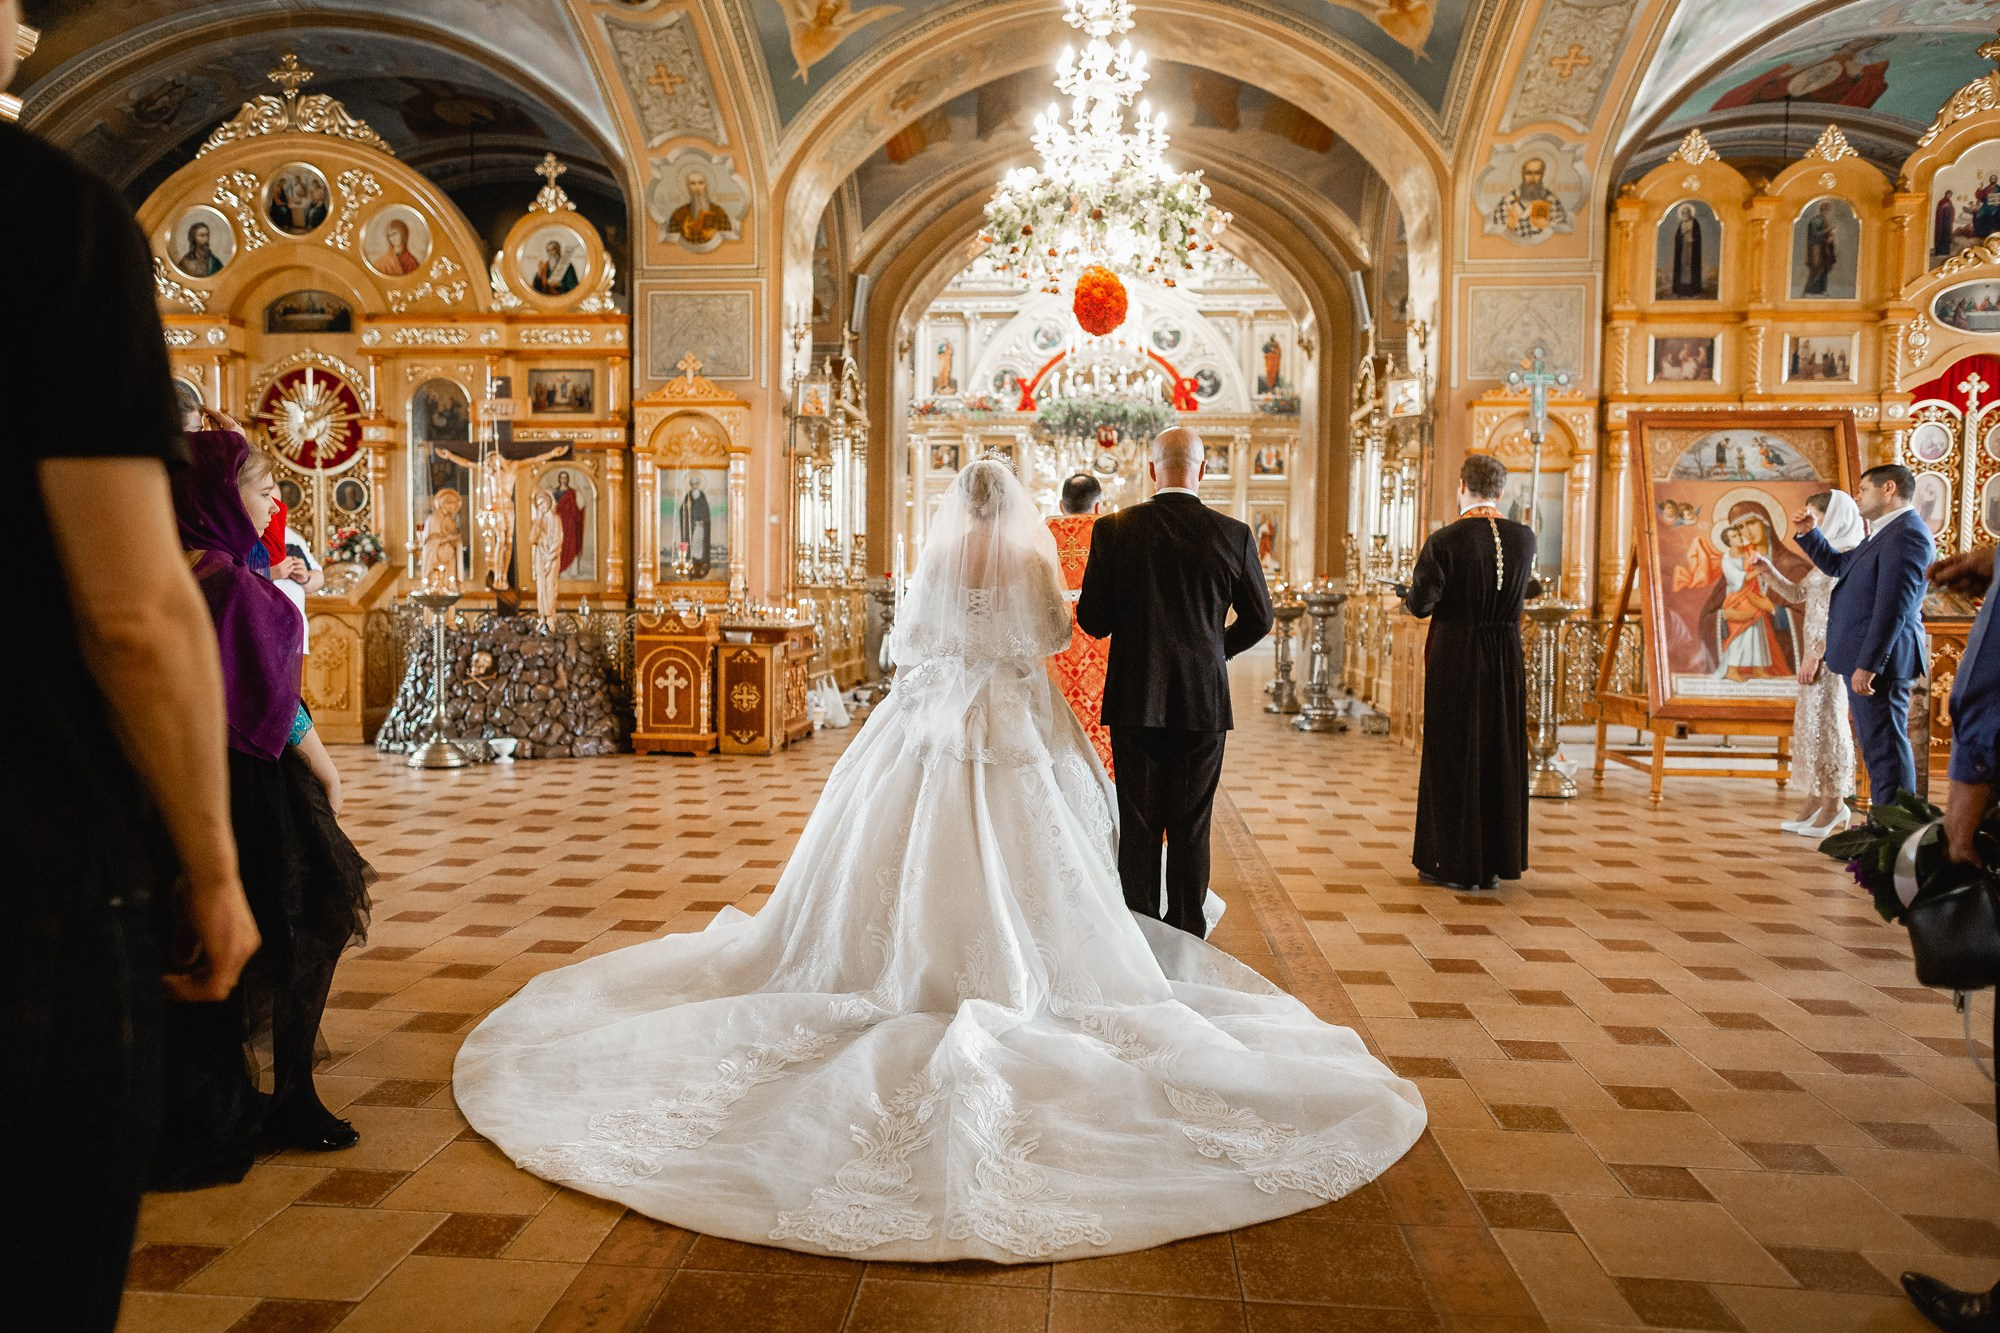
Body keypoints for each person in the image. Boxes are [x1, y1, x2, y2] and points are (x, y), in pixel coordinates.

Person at [453, 458, 1423, 1262]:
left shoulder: (946, 556)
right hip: (1017, 717)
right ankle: (1074, 955)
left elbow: (908, 637)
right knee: (1054, 847)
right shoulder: (1026, 558)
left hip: (930, 717)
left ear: (954, 506)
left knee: (900, 852)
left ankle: (904, 962)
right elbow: (1053, 631)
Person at [2, 22, 261, 1324]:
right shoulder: (44, 219)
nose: (35, 25)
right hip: (28, 863)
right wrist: (214, 865)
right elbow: (135, 610)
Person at [155, 425, 374, 1189]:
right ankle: (293, 1096)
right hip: (253, 781)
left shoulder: (185, 566)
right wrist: (328, 768)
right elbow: (273, 701)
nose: (275, 498)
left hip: (185, 776)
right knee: (309, 918)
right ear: (218, 495)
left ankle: (226, 1093)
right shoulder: (228, 584)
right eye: (260, 486)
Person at [1077, 427, 1273, 937]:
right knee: (1191, 822)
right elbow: (1261, 619)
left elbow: (1094, 621)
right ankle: (1186, 930)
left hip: (1135, 694)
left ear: (1150, 470)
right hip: (1203, 699)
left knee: (1138, 822)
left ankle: (1140, 931)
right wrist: (1214, 651)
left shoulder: (1115, 530)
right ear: (1203, 470)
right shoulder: (1233, 534)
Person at [1400, 453, 1539, 891]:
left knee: (1454, 752)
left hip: (1457, 656)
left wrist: (1410, 592)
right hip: (1504, 656)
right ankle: (1497, 860)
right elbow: (1521, 588)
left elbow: (1422, 604)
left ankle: (1452, 862)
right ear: (1501, 491)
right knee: (1500, 746)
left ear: (1463, 486)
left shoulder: (1445, 540)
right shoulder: (1525, 538)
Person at [1793, 463, 1935, 814]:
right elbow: (1841, 567)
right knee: (1877, 745)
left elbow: (1893, 607)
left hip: (1881, 662)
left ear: (1889, 489)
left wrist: (1869, 664)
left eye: (1863, 490)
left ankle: (1894, 828)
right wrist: (1810, 534)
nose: (1857, 497)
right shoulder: (1883, 532)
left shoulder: (1908, 534)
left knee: (1885, 744)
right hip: (1867, 656)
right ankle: (1886, 825)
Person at [1747, 490, 1865, 836]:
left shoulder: (1850, 558)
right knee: (1813, 728)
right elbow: (1800, 595)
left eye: (1816, 516)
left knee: (1831, 727)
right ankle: (1816, 800)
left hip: (1830, 655)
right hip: (1814, 657)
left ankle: (1836, 804)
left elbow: (1842, 615)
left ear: (1836, 516)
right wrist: (1767, 570)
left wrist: (1817, 652)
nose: (1811, 524)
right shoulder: (1827, 558)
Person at [1046, 471, 1114, 776]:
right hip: (1100, 644)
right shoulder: (1111, 530)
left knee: (1055, 715)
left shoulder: (1043, 532)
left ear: (1061, 505)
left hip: (1052, 641)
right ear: (1098, 506)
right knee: (1098, 713)